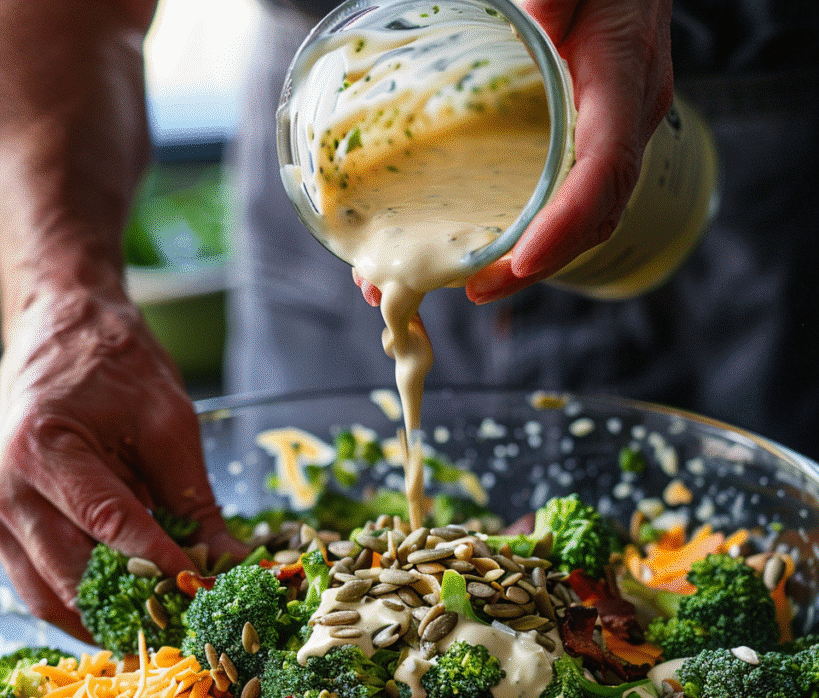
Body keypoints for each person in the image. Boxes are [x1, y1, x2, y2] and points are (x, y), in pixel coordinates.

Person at [0, 0, 816, 642]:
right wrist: (58, 296)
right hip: (349, 108)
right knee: (284, 507)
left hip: (750, 123)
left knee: (778, 578)